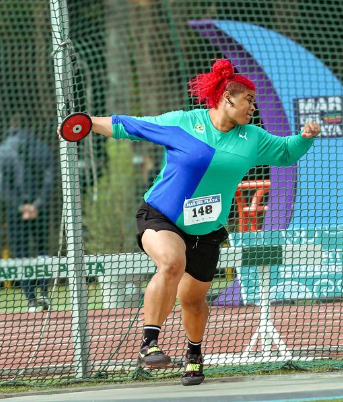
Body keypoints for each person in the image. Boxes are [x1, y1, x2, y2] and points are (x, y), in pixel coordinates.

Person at [58, 59, 321, 386]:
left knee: (193, 301)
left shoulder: (251, 138)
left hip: (207, 230)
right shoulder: (184, 122)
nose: (253, 108)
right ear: (227, 98)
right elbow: (133, 125)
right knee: (171, 262)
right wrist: (87, 122)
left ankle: (194, 355)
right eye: (249, 101)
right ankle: (148, 344)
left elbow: (285, 152)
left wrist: (306, 137)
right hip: (161, 216)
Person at [0, 115, 54, 313]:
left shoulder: (4, 150)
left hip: (17, 212)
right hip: (40, 209)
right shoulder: (41, 147)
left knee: (21, 253)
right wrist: (36, 205)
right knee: (42, 251)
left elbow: (3, 185)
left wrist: (21, 207)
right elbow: (48, 181)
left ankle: (31, 300)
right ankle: (44, 293)